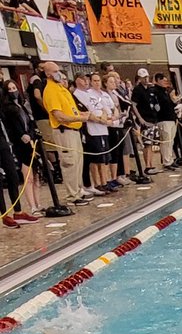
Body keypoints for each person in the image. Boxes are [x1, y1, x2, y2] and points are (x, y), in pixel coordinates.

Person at [40, 63, 91, 206]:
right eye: (56, 71)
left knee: (78, 162)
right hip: (64, 131)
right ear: (48, 74)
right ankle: (72, 196)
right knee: (69, 163)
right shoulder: (50, 91)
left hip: (74, 130)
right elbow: (59, 116)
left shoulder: (62, 89)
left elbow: (71, 110)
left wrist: (83, 115)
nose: (59, 74)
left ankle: (79, 191)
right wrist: (80, 118)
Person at [0, 81, 41, 219]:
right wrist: (21, 136)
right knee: (26, 176)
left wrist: (30, 134)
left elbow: (30, 122)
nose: (13, 91)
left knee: (29, 176)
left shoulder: (22, 106)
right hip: (18, 144)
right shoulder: (7, 108)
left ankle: (29, 207)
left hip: (27, 141)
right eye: (10, 89)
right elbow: (12, 127)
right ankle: (12, 212)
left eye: (14, 88)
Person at [73, 71, 118, 195]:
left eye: (87, 79)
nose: (86, 82)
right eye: (84, 79)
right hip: (91, 129)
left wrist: (106, 117)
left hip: (102, 128)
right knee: (95, 158)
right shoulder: (77, 94)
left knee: (104, 157)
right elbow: (86, 111)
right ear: (77, 81)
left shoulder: (90, 94)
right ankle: (97, 183)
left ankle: (104, 181)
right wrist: (100, 120)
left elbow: (102, 107)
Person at [130, 66, 160, 174]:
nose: (146, 79)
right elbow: (133, 105)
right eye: (144, 78)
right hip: (144, 119)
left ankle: (151, 164)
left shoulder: (149, 89)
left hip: (152, 118)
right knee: (147, 143)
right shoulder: (138, 90)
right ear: (139, 78)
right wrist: (140, 118)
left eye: (147, 77)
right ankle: (147, 165)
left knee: (151, 143)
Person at [153, 72, 178, 170]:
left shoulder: (165, 91)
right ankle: (166, 161)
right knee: (166, 140)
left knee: (171, 140)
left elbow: (170, 104)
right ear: (159, 80)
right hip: (163, 118)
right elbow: (159, 105)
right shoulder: (156, 91)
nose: (165, 82)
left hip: (171, 117)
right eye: (163, 80)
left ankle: (170, 159)